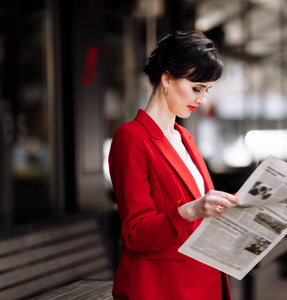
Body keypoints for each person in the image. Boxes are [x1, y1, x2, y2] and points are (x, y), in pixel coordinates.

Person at [108, 31, 238, 300]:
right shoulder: (131, 137)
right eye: (196, 88)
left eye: (207, 90)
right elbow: (135, 233)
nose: (202, 100)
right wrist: (191, 210)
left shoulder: (185, 137)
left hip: (203, 279)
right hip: (165, 288)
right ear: (167, 78)